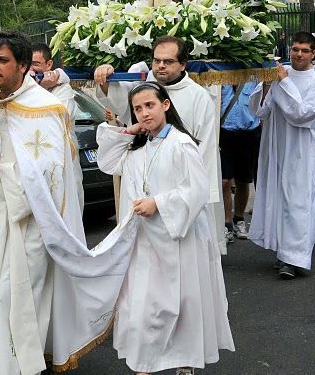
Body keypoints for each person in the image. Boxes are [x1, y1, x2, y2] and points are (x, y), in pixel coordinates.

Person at [0, 31, 105, 373]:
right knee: (2, 295)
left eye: (2, 61)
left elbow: (52, 175)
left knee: (19, 295)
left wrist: (3, 167)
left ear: (23, 66)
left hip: (32, 222)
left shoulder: (45, 109)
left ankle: (18, 366)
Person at [96, 82, 234, 374]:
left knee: (180, 307)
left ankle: (185, 362)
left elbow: (197, 190)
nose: (144, 113)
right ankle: (143, 366)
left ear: (165, 105)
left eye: (150, 105)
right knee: (142, 310)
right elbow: (106, 161)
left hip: (177, 240)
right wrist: (128, 131)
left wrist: (158, 202)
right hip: (144, 243)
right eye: (137, 109)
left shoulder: (181, 144)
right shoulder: (137, 148)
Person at [94, 36, 225, 250]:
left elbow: (206, 149)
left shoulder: (198, 97)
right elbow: (118, 103)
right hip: (140, 183)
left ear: (183, 64)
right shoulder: (143, 86)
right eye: (157, 61)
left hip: (177, 189)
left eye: (168, 61)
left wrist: (201, 197)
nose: (161, 66)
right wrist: (107, 77)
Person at [248, 32, 315, 279]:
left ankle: (295, 258)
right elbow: (260, 111)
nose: (299, 54)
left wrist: (282, 83)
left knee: (298, 201)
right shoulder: (278, 75)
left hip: (302, 152)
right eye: (295, 49)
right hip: (276, 146)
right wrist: (265, 84)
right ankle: (283, 252)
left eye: (305, 50)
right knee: (278, 197)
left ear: (313, 53)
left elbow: (301, 114)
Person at [30, 42, 83, 211]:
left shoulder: (63, 89)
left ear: (49, 64)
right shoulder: (28, 88)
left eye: (36, 64)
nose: (32, 69)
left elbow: (55, 118)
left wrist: (40, 88)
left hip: (63, 159)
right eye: (29, 64)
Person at [218, 81, 261, 241]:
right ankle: (226, 223)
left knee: (243, 181)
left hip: (249, 133)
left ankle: (239, 218)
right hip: (225, 132)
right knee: (224, 181)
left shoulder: (254, 76)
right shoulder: (219, 76)